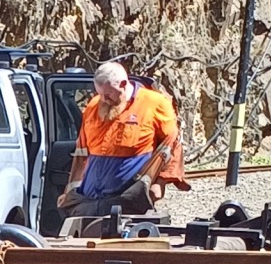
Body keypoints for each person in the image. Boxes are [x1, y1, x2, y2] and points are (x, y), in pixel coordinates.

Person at [58, 61, 183, 234]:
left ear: (123, 85)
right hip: (89, 201)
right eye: (99, 93)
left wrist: (161, 182)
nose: (104, 99)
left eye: (108, 95)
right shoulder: (94, 106)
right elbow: (81, 152)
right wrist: (70, 190)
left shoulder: (154, 103)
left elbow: (172, 144)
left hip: (128, 200)